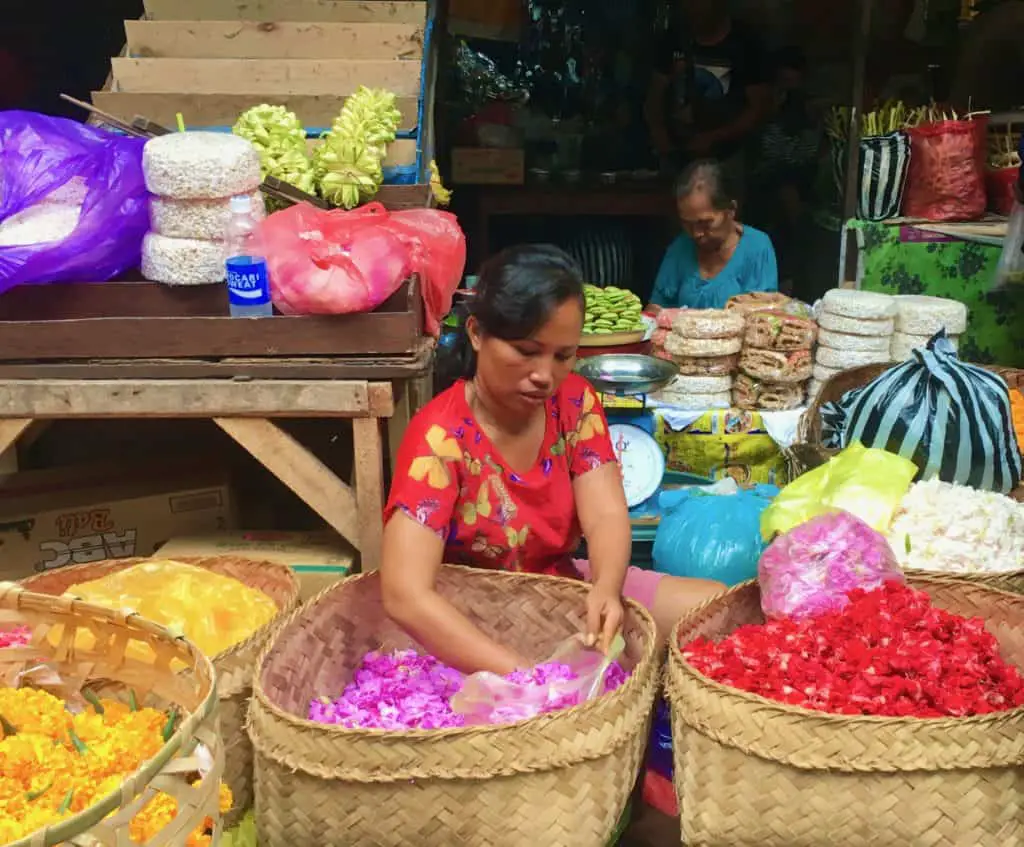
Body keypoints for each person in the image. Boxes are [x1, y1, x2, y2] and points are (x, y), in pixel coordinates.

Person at [381, 245, 724, 675]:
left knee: (714, 610)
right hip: (473, 613)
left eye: (563, 356)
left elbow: (603, 514)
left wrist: (606, 587)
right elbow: (404, 594)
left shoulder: (574, 402)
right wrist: (527, 679)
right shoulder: (440, 438)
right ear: (476, 333)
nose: (545, 374)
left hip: (559, 591)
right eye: (526, 351)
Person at [644, 0, 772, 171]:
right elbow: (655, 94)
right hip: (677, 156)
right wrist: (659, 133)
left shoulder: (746, 43)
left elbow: (758, 109)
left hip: (729, 159)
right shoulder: (674, 37)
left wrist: (714, 137)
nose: (692, 8)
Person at [649, 160, 779, 311]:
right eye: (687, 224)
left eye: (705, 223)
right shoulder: (681, 247)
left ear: (731, 210)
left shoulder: (757, 248)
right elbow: (656, 308)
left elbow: (763, 317)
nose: (696, 233)